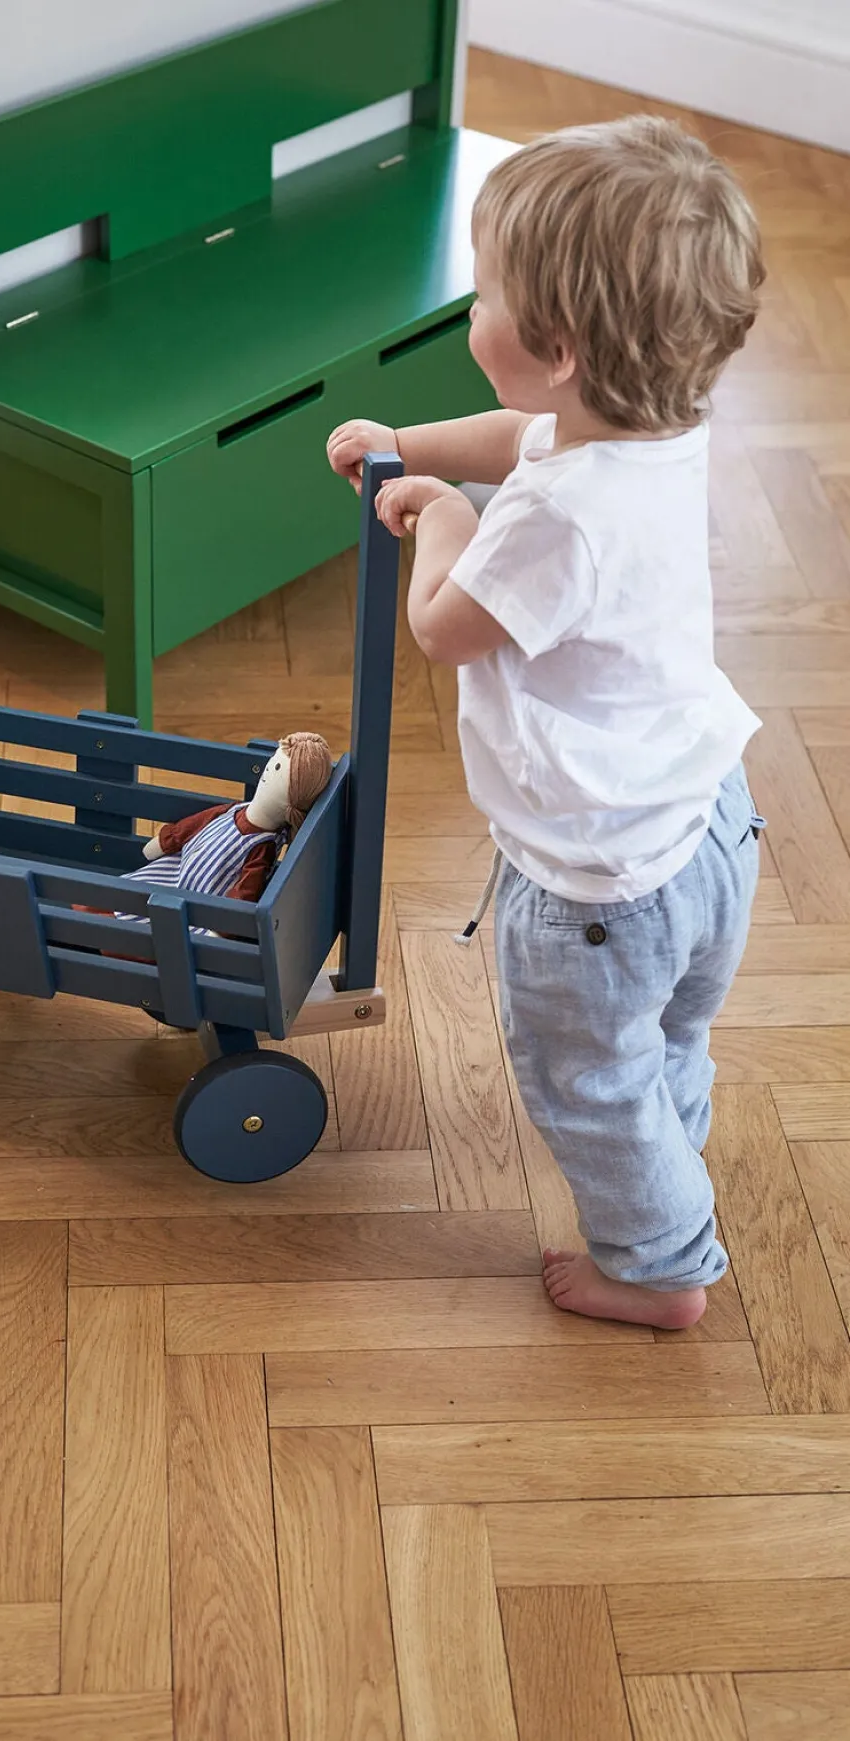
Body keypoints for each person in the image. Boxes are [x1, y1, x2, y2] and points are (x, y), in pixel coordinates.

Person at [327, 115, 766, 1330]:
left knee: (587, 1085)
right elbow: (513, 437)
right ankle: (668, 1163)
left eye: (485, 297)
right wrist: (406, 444)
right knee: (659, 1043)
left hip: (594, 889)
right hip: (705, 823)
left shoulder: (552, 521)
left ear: (558, 348)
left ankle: (659, 1267)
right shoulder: (647, 429)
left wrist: (444, 519)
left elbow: (444, 628)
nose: (471, 312)